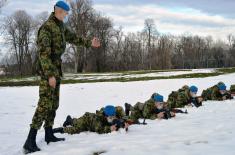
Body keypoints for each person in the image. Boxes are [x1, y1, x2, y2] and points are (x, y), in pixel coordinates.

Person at [23, 1, 101, 153]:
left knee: (54, 104)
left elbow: (74, 38)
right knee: (44, 105)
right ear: (58, 11)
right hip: (48, 72)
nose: (66, 16)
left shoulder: (60, 26)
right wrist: (50, 75)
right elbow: (43, 55)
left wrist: (89, 43)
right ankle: (29, 141)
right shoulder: (46, 28)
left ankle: (48, 133)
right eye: (65, 13)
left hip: (56, 70)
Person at [52, 105, 129, 135]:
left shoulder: (115, 110)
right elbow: (99, 129)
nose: (113, 118)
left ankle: (70, 120)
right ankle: (61, 129)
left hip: (92, 120)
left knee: (75, 123)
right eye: (110, 117)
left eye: (113, 116)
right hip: (87, 120)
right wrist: (109, 129)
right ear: (105, 116)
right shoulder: (97, 120)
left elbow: (122, 113)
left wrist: (124, 122)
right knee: (76, 128)